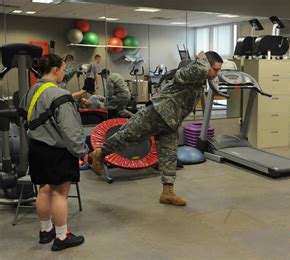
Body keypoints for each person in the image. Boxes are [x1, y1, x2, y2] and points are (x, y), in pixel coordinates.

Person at [89, 51, 223, 206]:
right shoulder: (190, 73)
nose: (217, 74)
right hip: (157, 112)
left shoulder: (199, 81)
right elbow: (187, 73)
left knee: (169, 154)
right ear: (206, 65)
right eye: (216, 70)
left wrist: (206, 66)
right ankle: (101, 152)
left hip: (171, 121)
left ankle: (167, 192)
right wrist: (202, 60)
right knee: (129, 136)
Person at [21, 54, 88, 251]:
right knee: (60, 193)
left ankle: (45, 230)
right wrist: (82, 151)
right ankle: (61, 237)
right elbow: (71, 129)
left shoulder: (31, 91)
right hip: (57, 151)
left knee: (43, 189)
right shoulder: (59, 95)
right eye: (63, 68)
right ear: (56, 70)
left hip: (37, 148)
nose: (64, 72)